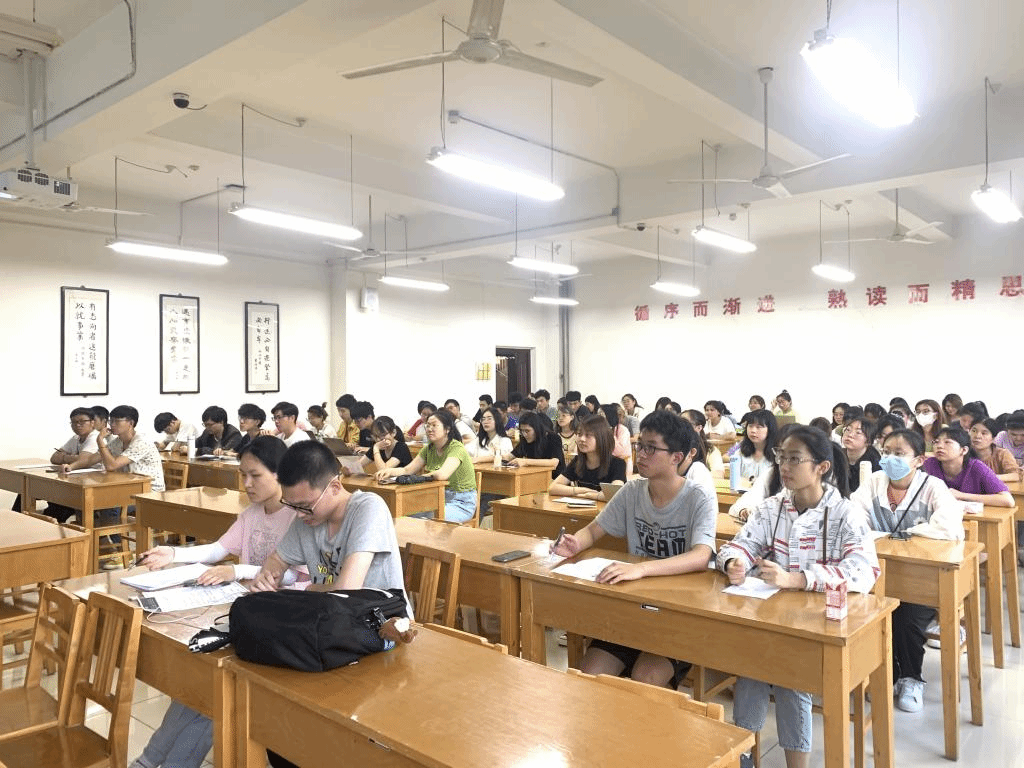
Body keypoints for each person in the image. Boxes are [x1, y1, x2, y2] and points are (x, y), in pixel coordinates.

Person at [128, 436, 306, 768]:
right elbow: (217, 550)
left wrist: (236, 570)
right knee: (199, 685)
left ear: (280, 473)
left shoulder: (298, 517)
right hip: (247, 611)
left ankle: (152, 762)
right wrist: (173, 554)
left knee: (211, 693)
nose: (247, 483)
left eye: (255, 475)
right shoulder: (252, 514)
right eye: (243, 475)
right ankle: (148, 761)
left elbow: (295, 574)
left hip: (282, 621)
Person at [718, 427, 879, 768]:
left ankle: (796, 763)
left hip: (821, 623)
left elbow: (864, 571)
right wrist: (735, 563)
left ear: (822, 467)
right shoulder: (772, 507)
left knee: (791, 677)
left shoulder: (845, 513)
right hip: (773, 618)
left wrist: (799, 579)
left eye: (794, 459)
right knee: (750, 668)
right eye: (781, 458)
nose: (784, 467)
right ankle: (744, 755)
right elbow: (739, 545)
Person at [551, 410, 716, 687]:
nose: (641, 454)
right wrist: (576, 543)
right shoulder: (632, 491)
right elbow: (593, 530)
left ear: (676, 457)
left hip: (677, 613)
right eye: (640, 446)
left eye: (651, 448)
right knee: (590, 672)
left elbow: (701, 556)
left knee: (645, 677)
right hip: (632, 609)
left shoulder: (698, 498)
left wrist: (641, 569)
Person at [850, 428, 964, 713]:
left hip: (921, 577)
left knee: (906, 616)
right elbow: (853, 517)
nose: (890, 458)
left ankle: (912, 678)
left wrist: (901, 536)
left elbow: (949, 526)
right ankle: (887, 673)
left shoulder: (933, 487)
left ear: (919, 460)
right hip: (879, 573)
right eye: (887, 452)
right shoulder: (874, 482)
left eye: (899, 454)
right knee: (873, 614)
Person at [377, 409, 477, 523]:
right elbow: (407, 469)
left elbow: (442, 475)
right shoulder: (429, 449)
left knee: (429, 521)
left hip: (461, 502)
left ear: (447, 429)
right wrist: (390, 471)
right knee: (403, 515)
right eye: (428, 425)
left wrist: (420, 477)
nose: (429, 429)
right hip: (435, 499)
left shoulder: (456, 448)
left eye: (434, 425)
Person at [923, 426, 1014, 507]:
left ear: (964, 450)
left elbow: (1008, 500)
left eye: (947, 442)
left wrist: (961, 495)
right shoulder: (929, 464)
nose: (939, 446)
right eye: (936, 442)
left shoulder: (976, 467)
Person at [549, 415, 627, 500]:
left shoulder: (618, 464)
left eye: (588, 435)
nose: (582, 439)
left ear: (602, 438)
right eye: (579, 434)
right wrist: (582, 490)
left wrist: (592, 495)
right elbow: (552, 488)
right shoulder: (578, 461)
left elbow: (615, 494)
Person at [95, 405, 166, 492]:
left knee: (103, 496)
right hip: (130, 485)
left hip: (150, 491)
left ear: (131, 423)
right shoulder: (117, 442)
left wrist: (100, 440)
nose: (112, 425)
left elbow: (111, 466)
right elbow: (93, 459)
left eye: (117, 421)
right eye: (111, 421)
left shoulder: (141, 442)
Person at [508, 411, 566, 479]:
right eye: (522, 431)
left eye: (527, 431)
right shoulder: (525, 439)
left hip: (555, 479)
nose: (524, 434)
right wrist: (498, 456)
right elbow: (511, 456)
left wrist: (525, 462)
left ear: (536, 429)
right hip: (534, 477)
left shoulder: (553, 437)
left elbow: (554, 463)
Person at [727, 409, 777, 486]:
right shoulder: (740, 448)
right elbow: (734, 479)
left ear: (770, 429)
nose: (753, 430)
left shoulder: (777, 453)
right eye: (750, 426)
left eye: (759, 427)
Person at [970, 418, 1022, 483]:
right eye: (974, 431)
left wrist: (989, 478)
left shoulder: (1002, 454)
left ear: (993, 438)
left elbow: (1015, 475)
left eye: (984, 433)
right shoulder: (963, 454)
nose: (977, 436)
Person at [840, 413, 881, 492]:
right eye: (848, 430)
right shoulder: (838, 455)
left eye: (858, 432)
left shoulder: (875, 463)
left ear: (868, 441)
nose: (850, 435)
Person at [681, 410, 724, 477]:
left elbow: (718, 474)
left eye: (712, 410)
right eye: (679, 423)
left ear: (699, 428)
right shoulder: (673, 446)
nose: (709, 412)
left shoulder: (710, 449)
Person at [601, 404, 633, 470]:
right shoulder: (601, 430)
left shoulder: (623, 430)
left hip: (621, 464)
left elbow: (619, 451)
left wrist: (610, 433)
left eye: (602, 416)